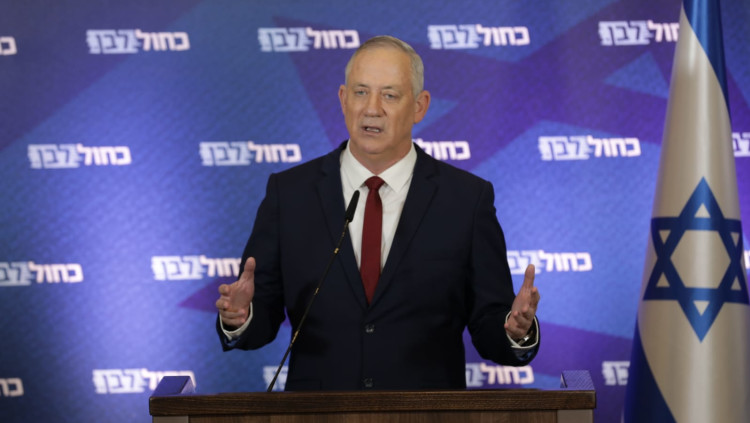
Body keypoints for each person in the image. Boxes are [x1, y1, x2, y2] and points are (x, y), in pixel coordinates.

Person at [215, 35, 540, 391]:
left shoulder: (466, 199)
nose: (372, 108)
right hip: (317, 412)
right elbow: (261, 313)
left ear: (419, 106)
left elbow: (489, 322)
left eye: (389, 95)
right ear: (343, 99)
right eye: (360, 92)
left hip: (426, 413)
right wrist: (241, 316)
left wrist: (515, 329)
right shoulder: (290, 194)